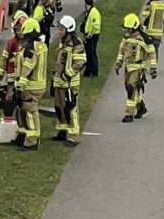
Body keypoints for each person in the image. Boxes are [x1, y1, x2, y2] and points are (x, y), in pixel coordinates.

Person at [51, 15, 86, 147]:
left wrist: (67, 75)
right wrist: (54, 79)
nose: (59, 32)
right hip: (60, 82)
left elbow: (80, 62)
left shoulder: (76, 44)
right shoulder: (63, 42)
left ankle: (73, 136)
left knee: (70, 108)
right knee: (59, 107)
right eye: (59, 29)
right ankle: (62, 131)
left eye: (62, 29)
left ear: (69, 30)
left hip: (70, 83)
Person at [114, 13, 157, 123]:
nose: (128, 30)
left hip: (138, 67)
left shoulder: (144, 39)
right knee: (131, 88)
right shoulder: (126, 38)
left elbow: (151, 53)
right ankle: (141, 107)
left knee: (131, 88)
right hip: (128, 67)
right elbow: (121, 52)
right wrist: (118, 64)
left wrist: (153, 68)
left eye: (129, 28)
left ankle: (129, 114)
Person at [14, 18, 48, 151]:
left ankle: (31, 142)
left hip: (31, 86)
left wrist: (19, 87)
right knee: (32, 112)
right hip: (39, 84)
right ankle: (32, 139)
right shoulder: (42, 45)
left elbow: (28, 67)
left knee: (30, 113)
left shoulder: (31, 47)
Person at [0, 12, 27, 117]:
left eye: (21, 29)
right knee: (9, 97)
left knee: (24, 99)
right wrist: (0, 74)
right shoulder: (11, 43)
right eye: (17, 29)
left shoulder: (29, 44)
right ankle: (7, 119)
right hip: (12, 77)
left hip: (24, 78)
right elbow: (4, 59)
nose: (19, 32)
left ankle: (22, 120)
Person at [80, 0, 101, 77]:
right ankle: (88, 72)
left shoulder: (94, 12)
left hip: (92, 36)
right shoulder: (90, 11)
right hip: (89, 35)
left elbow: (96, 25)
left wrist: (90, 33)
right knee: (88, 54)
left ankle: (94, 72)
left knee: (92, 54)